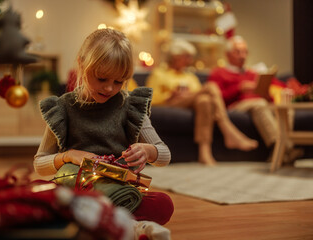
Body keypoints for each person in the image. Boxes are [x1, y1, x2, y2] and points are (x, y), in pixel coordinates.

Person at [33, 28, 174, 229]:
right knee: (37, 192)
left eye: (118, 81)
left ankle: (91, 221)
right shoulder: (63, 108)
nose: (109, 88)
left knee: (162, 203)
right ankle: (114, 223)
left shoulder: (129, 106)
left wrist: (147, 150)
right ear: (82, 65)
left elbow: (164, 155)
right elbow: (39, 164)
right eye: (101, 79)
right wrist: (69, 155)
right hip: (76, 187)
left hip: (117, 192)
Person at [146, 39, 258, 165]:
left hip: (189, 104)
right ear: (175, 56)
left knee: (204, 101)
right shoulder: (159, 74)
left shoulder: (190, 76)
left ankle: (204, 153)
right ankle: (228, 129)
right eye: (186, 56)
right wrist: (170, 95)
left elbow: (199, 93)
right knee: (210, 86)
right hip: (170, 104)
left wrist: (189, 95)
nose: (189, 60)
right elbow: (152, 98)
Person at [208, 35, 301, 161]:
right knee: (259, 104)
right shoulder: (219, 73)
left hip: (259, 103)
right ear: (228, 54)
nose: (243, 55)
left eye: (245, 52)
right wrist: (239, 88)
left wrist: (270, 93)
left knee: (286, 108)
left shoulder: (252, 73)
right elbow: (217, 98)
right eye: (238, 52)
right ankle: (284, 147)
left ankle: (279, 151)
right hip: (236, 106)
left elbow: (274, 91)